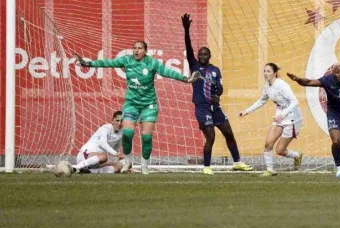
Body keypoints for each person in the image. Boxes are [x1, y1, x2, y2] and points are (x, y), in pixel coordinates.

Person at [75, 40, 200, 174]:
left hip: (149, 104)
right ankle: (127, 160)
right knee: (128, 133)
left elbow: (167, 72)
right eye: (134, 48)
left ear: (145, 51)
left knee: (146, 136)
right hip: (131, 103)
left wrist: (186, 79)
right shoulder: (127, 60)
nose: (136, 50)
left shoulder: (152, 63)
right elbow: (107, 63)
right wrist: (88, 63)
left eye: (140, 48)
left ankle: (144, 165)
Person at [182, 13, 252, 175]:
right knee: (211, 136)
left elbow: (220, 88)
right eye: (200, 54)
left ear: (210, 56)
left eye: (205, 54)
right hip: (202, 108)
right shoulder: (195, 66)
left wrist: (218, 95)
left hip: (216, 107)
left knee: (229, 133)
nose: (202, 56)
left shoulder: (215, 70)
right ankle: (206, 167)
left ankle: (237, 162)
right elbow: (188, 47)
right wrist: (186, 30)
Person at [240, 63, 304, 176]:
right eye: (264, 71)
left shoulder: (281, 85)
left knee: (279, 150)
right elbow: (262, 100)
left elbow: (295, 102)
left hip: (292, 118)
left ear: (275, 73)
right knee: (268, 143)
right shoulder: (267, 86)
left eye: (268, 71)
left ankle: (297, 155)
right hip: (280, 116)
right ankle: (270, 170)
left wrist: (283, 114)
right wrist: (246, 111)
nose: (265, 73)